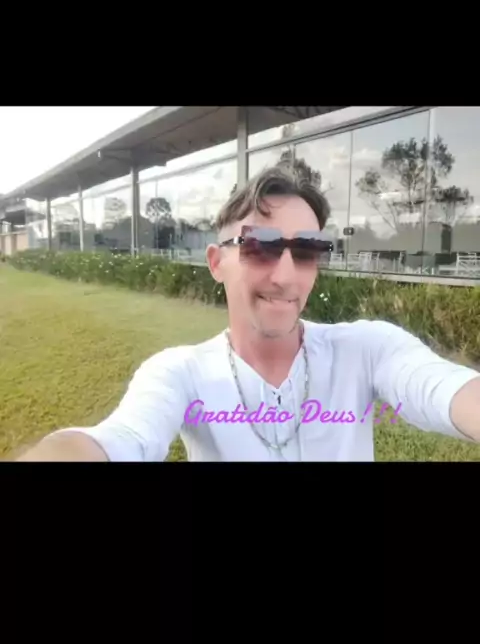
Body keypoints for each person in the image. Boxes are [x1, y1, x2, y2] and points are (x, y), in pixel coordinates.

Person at [17, 167, 480, 462]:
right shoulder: (180, 373)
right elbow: (123, 438)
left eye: (306, 250)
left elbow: (440, 387)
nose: (286, 275)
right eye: (261, 246)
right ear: (217, 262)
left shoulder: (366, 349)